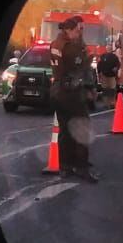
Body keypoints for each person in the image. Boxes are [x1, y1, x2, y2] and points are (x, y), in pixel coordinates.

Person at [49, 16, 97, 182]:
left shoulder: (55, 43)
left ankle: (65, 166)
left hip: (57, 91)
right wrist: (89, 58)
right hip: (72, 92)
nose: (81, 32)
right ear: (69, 30)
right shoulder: (71, 47)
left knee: (64, 131)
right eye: (79, 29)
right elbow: (80, 69)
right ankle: (81, 167)